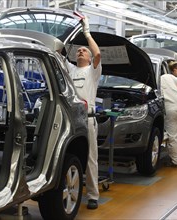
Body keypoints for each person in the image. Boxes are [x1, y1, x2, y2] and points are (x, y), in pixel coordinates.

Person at [65, 15, 102, 209]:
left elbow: (97, 54)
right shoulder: (70, 69)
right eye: (78, 50)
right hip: (71, 120)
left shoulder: (92, 71)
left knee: (90, 158)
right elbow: (57, 54)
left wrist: (86, 32)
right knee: (70, 156)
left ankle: (93, 196)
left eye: (83, 51)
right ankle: (73, 189)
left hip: (87, 120)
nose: (80, 51)